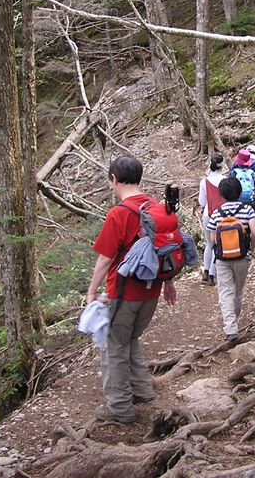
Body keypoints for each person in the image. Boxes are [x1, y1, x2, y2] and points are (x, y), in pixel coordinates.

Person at [86, 156, 177, 424]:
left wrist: (92, 292)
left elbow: (105, 258)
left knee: (113, 345)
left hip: (123, 292)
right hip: (152, 290)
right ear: (139, 177)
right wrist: (169, 283)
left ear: (113, 179)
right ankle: (141, 390)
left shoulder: (119, 213)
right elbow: (167, 247)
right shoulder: (158, 207)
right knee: (131, 338)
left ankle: (120, 408)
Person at [206, 176, 255, 341]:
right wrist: (251, 247)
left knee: (225, 291)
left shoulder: (216, 213)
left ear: (222, 194)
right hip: (242, 256)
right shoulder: (247, 210)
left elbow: (213, 239)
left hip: (222, 259)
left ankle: (230, 328)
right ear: (239, 191)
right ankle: (234, 320)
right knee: (238, 290)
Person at [199, 153, 227, 286]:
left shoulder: (204, 181)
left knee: (209, 244)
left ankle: (205, 271)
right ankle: (211, 275)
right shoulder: (224, 181)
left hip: (207, 215)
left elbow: (201, 202)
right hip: (221, 216)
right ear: (222, 166)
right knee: (218, 244)